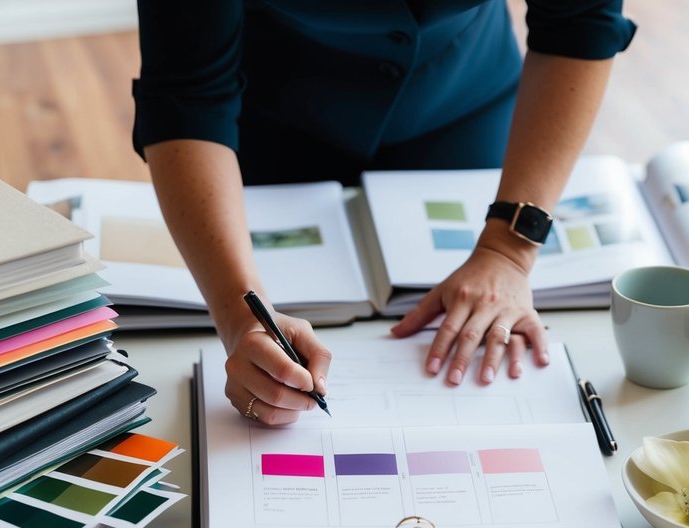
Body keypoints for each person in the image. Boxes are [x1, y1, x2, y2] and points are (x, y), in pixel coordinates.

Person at [132, 1, 636, 424]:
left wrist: (509, 249)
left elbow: (580, 21)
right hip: (272, 119)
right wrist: (239, 315)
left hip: (462, 104)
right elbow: (187, 93)